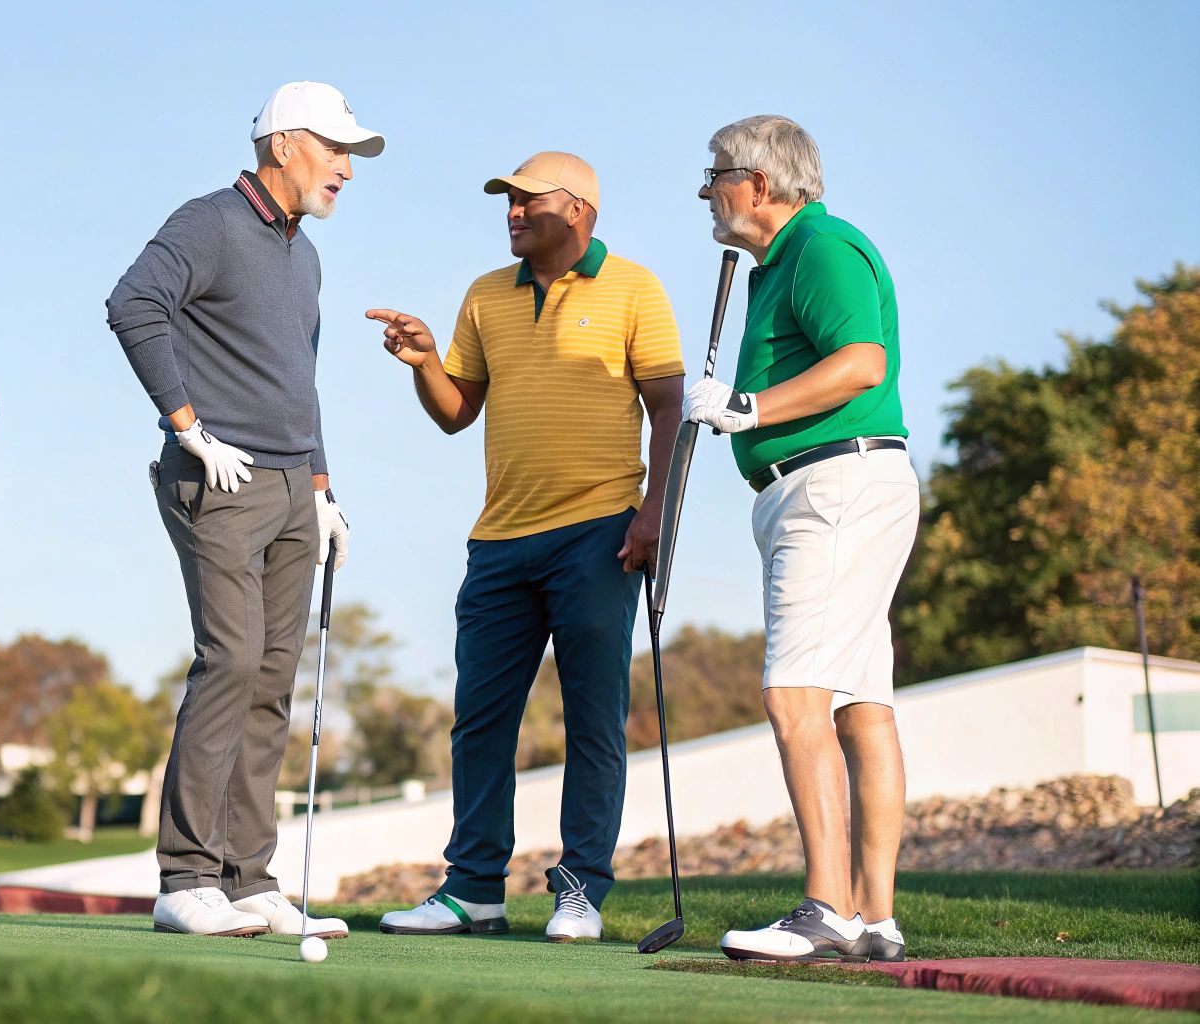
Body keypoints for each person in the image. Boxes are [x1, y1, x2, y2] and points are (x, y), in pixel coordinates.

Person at [368, 152, 683, 942]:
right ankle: (474, 887)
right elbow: (455, 412)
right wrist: (425, 363)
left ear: (576, 210)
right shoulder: (485, 295)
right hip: (501, 539)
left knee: (593, 718)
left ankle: (580, 891)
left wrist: (655, 514)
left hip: (600, 530)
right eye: (505, 202)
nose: (510, 212)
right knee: (480, 719)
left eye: (523, 200)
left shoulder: (636, 288)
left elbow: (672, 411)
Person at [105, 81, 382, 938]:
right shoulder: (209, 222)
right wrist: (186, 428)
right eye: (336, 150)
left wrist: (324, 489)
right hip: (218, 480)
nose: (346, 168)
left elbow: (300, 382)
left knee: (270, 681)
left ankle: (247, 876)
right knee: (229, 662)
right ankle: (185, 878)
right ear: (286, 144)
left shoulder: (306, 256)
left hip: (294, 488)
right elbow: (133, 305)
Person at [685, 114, 917, 963]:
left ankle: (827, 910)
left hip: (833, 484)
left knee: (795, 697)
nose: (708, 192)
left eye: (715, 175)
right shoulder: (776, 265)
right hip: (832, 485)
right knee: (859, 706)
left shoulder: (821, 246)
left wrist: (748, 407)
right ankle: (877, 920)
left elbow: (863, 362)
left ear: (762, 182)